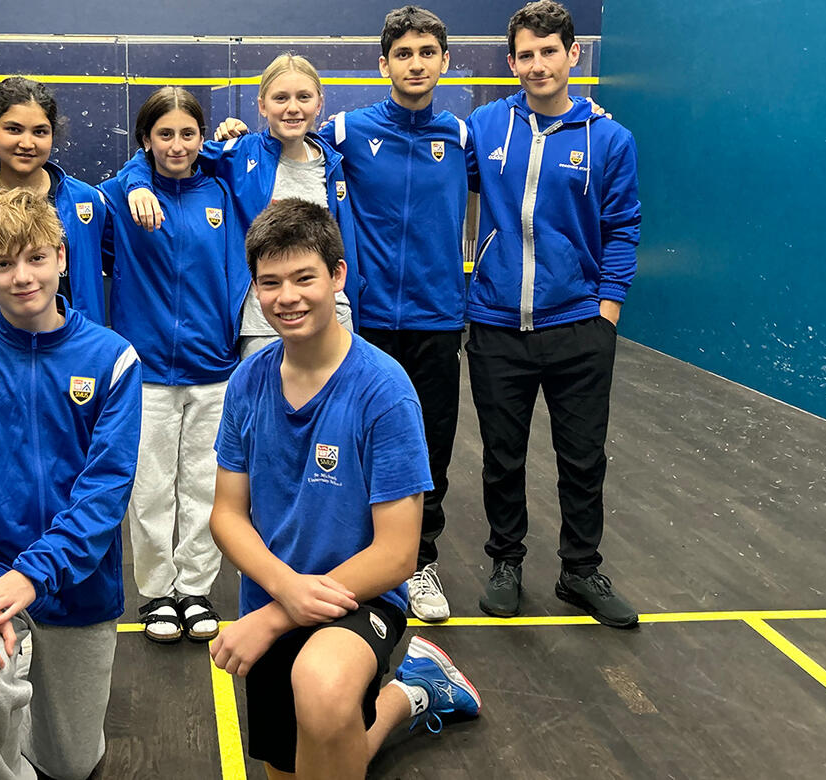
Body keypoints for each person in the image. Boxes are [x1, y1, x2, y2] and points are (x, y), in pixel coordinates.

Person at [209, 198, 480, 779]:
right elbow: (227, 515)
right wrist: (284, 593)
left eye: (305, 277)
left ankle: (397, 687)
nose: (288, 297)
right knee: (305, 762)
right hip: (276, 592)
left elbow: (398, 553)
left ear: (337, 275)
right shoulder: (247, 383)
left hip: (360, 597)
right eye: (270, 282)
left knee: (324, 692)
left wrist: (281, 615)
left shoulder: (384, 390)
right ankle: (412, 696)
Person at [0, 188, 141, 779]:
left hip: (82, 587)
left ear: (63, 257)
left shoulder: (114, 360)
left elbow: (105, 493)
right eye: (2, 264)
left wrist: (35, 573)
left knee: (71, 766)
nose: (22, 277)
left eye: (36, 258)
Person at [466, 0, 642, 627]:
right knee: (502, 455)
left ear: (573, 55)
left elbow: (623, 226)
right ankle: (507, 561)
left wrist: (608, 311)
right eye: (525, 54)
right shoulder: (486, 126)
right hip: (494, 324)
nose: (537, 64)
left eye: (549, 51)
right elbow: (417, 157)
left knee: (582, 455)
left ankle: (579, 571)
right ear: (511, 61)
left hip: (580, 328)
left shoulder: (610, 139)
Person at [315, 5, 468, 622]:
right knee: (351, 443)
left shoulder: (462, 137)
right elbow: (279, 150)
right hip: (366, 321)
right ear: (384, 65)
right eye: (403, 54)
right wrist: (230, 139)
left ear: (444, 61)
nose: (415, 64)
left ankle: (420, 561)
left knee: (428, 448)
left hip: (437, 319)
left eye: (426, 53)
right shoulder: (347, 132)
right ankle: (355, 556)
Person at [99, 88, 248, 643]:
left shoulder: (224, 190)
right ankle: (158, 593)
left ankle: (195, 589)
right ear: (145, 140)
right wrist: (137, 179)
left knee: (206, 487)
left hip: (214, 368)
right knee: (152, 487)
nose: (177, 144)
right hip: (147, 373)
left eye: (189, 133)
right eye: (164, 134)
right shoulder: (120, 195)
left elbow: (249, 153)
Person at [121, 54, 361, 358]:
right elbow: (164, 152)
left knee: (335, 404)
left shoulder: (333, 162)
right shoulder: (237, 153)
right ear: (262, 105)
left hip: (332, 314)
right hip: (263, 323)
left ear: (319, 102)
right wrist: (138, 185)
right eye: (280, 98)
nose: (292, 107)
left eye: (303, 97)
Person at [0, 77, 109, 326]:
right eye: (14, 129)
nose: (27, 143)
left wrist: (139, 182)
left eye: (39, 132)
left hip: (74, 356)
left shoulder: (86, 200)